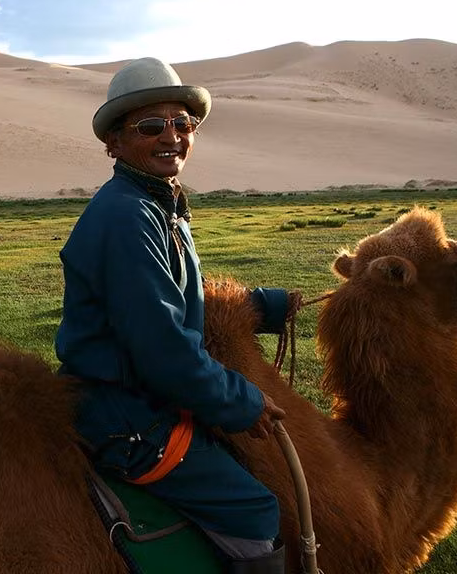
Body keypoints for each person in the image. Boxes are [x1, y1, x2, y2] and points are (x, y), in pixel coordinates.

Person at [55, 57, 289, 573]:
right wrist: (242, 403)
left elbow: (172, 295)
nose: (172, 136)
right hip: (129, 415)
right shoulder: (127, 216)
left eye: (183, 123)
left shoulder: (154, 203)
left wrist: (263, 305)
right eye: (150, 126)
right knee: (255, 510)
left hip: (140, 398)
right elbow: (162, 349)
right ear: (114, 142)